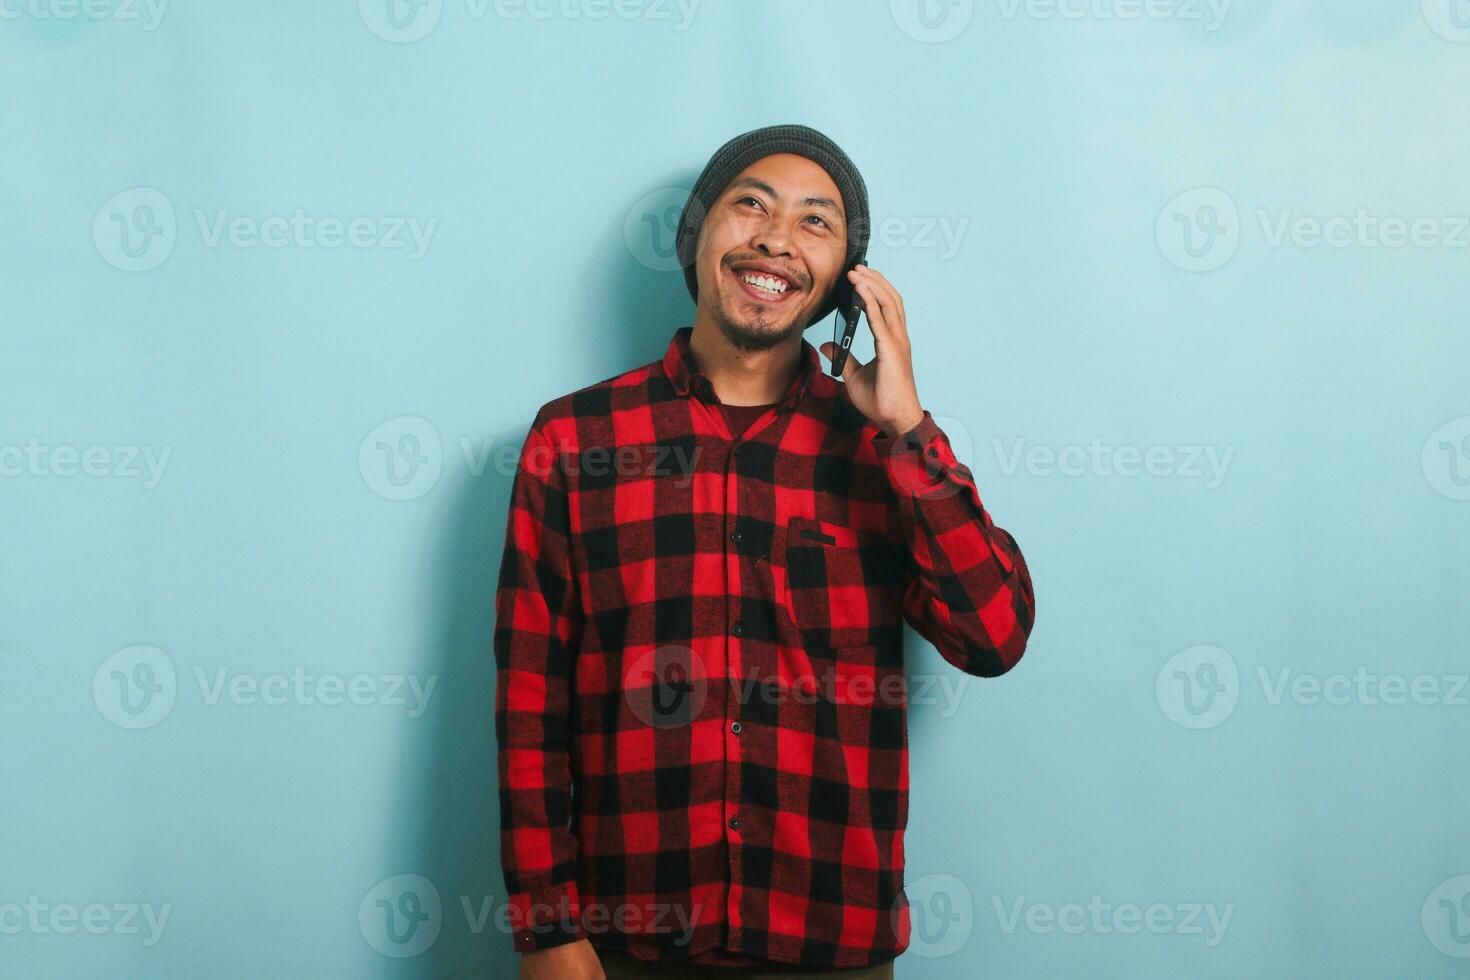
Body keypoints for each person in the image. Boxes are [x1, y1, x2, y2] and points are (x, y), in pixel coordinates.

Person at [494, 123, 1036, 979]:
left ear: (842, 284)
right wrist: (546, 927)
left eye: (816, 222)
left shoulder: (883, 454)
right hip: (623, 943)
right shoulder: (576, 439)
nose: (777, 237)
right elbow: (531, 697)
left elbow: (995, 635)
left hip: (829, 938)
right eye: (751, 204)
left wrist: (905, 428)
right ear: (697, 236)